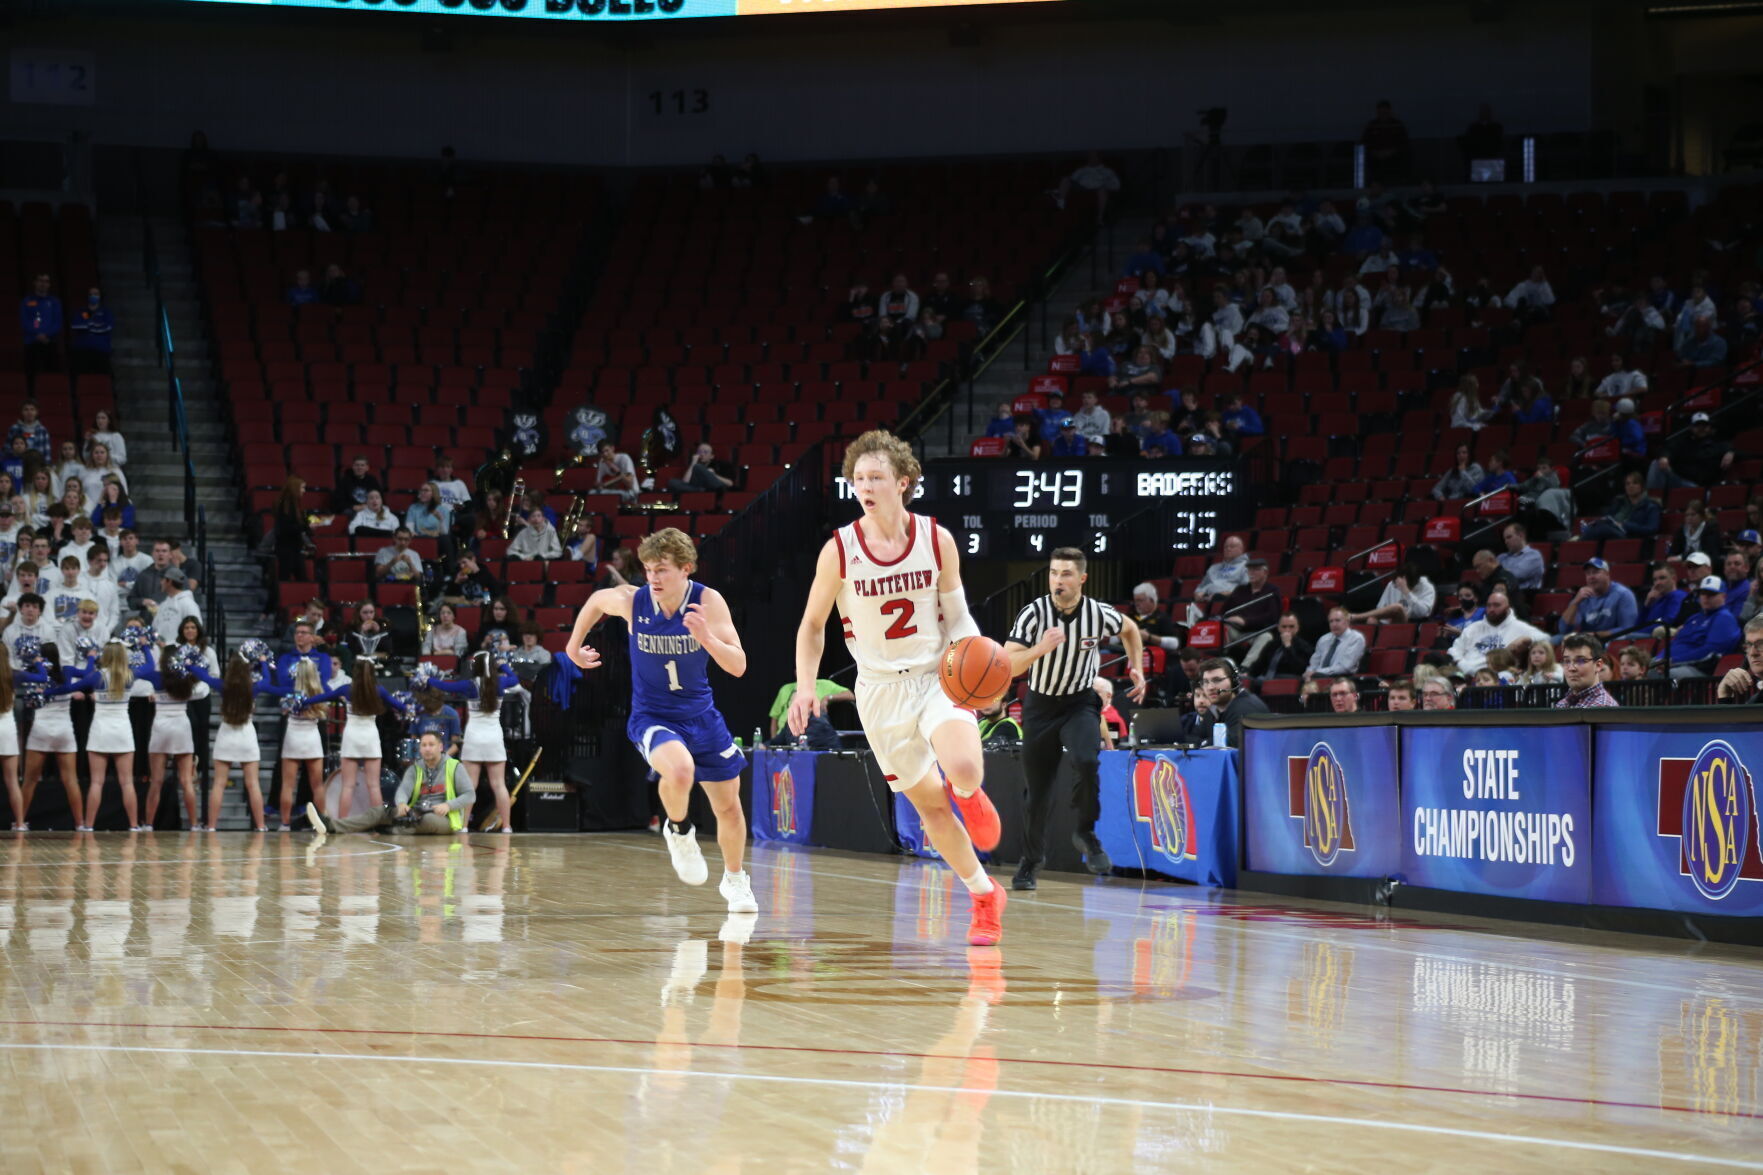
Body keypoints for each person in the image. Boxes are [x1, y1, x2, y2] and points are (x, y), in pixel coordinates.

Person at [786, 430, 1005, 946]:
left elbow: (958, 614)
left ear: (903, 482)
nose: (864, 486)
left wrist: (975, 660)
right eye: (858, 478)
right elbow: (812, 626)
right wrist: (803, 687)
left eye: (875, 477)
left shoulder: (937, 539)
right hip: (880, 691)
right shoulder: (839, 550)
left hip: (935, 676)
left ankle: (968, 792)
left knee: (965, 767)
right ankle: (983, 895)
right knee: (928, 808)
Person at [566, 528, 756, 908]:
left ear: (686, 569)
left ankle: (735, 880)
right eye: (648, 569)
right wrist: (573, 645)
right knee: (680, 770)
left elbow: (738, 667)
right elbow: (597, 602)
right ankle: (680, 831)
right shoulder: (634, 601)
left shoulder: (707, 602)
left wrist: (708, 638)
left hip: (702, 716)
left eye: (662, 570)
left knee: (729, 807)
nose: (652, 577)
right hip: (653, 715)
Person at [1003, 548, 1145, 891]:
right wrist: (1040, 649)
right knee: (1038, 793)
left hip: (1079, 702)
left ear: (1081, 579)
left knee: (1086, 760)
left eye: (1066, 574)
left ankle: (1086, 832)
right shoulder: (1034, 614)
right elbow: (1009, 663)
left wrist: (1135, 665)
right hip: (1040, 706)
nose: (1058, 580)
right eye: (1053, 573)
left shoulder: (1098, 613)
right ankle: (1031, 861)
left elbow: (1130, 629)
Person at [307, 731, 473, 839]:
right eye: (424, 745)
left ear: (441, 747)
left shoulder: (454, 766)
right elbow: (403, 790)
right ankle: (332, 825)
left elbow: (469, 795)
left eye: (431, 745)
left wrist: (448, 805)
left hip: (443, 818)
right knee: (379, 811)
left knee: (428, 820)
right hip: (415, 813)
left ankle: (389, 830)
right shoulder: (416, 768)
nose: (427, 749)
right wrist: (401, 803)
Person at [426, 651, 520, 834]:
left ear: (475, 667)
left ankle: (464, 826)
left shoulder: (469, 685)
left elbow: (444, 685)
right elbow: (515, 678)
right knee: (499, 784)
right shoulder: (500, 682)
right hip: (494, 738)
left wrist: (426, 679)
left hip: (474, 738)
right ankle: (507, 826)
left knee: (470, 785)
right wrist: (503, 666)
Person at [312, 659, 409, 821]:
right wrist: (417, 707)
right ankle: (377, 824)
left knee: (348, 785)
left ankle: (341, 823)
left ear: (354, 673)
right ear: (372, 673)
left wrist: (302, 702)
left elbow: (322, 697)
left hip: (351, 738)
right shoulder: (379, 691)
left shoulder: (346, 689)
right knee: (374, 785)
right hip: (370, 737)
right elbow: (401, 707)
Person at [204, 642, 284, 832]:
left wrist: (189, 662)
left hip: (226, 735)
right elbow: (266, 678)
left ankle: (211, 826)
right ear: (247, 668)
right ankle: (261, 826)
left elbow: (202, 675)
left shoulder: (222, 685)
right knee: (253, 783)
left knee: (219, 784)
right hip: (246, 735)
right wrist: (264, 661)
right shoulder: (254, 687)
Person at [274, 629, 344, 831]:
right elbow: (335, 696)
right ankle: (321, 823)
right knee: (317, 784)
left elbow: (270, 690)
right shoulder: (319, 694)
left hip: (293, 736)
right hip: (312, 737)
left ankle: (284, 824)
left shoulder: (289, 694)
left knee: (288, 784)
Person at [21, 643, 94, 828]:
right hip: (64, 730)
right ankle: (80, 824)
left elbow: (29, 699)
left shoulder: (36, 674)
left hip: (41, 729)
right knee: (70, 779)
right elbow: (89, 674)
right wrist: (91, 657)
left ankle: (20, 823)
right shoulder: (67, 671)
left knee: (29, 780)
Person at [1448, 588, 1547, 673]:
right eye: (1489, 605)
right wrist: (1462, 664)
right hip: (1469, 673)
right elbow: (1454, 650)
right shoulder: (1473, 628)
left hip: (1501, 677)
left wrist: (1527, 639)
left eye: (1496, 605)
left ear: (1508, 608)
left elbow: (1546, 639)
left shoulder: (1519, 627)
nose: (1491, 609)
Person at [1185, 658, 1269, 747]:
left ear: (1234, 682)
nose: (1210, 687)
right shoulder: (1213, 709)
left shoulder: (1246, 708)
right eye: (1205, 682)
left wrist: (1202, 743)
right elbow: (1194, 738)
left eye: (1217, 680)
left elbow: (1229, 746)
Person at [1559, 558, 1638, 643]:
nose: (1591, 577)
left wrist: (1597, 635)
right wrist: (1575, 602)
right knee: (1556, 640)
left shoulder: (1623, 594)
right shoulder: (1582, 597)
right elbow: (1564, 630)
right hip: (1586, 642)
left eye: (1595, 572)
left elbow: (1628, 628)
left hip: (1613, 641)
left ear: (1607, 574)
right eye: (1588, 573)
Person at [1649, 413, 1734, 491]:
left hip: (1704, 487)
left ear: (1709, 427)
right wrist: (1664, 457)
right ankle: (1653, 501)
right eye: (1697, 425)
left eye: (1704, 425)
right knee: (1655, 464)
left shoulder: (1719, 444)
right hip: (1681, 481)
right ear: (1691, 427)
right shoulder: (1683, 443)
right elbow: (1668, 449)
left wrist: (1731, 453)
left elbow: (1743, 454)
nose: (1701, 428)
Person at [1581, 471, 1661, 540]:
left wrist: (1626, 525)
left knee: (1602, 529)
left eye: (1635, 483)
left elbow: (1651, 529)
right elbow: (1609, 517)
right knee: (1596, 526)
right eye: (1627, 484)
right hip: (1612, 532)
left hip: (1630, 537)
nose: (1630, 486)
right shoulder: (1619, 502)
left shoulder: (1651, 506)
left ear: (1642, 486)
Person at [766, 678, 854, 740]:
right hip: (786, 735)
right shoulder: (786, 689)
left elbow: (851, 695)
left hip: (808, 732)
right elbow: (774, 717)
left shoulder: (820, 725)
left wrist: (828, 697)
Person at [1352, 563, 1436, 624]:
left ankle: (1355, 617)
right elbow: (1380, 608)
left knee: (1398, 607)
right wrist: (1385, 618)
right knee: (1371, 620)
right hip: (1389, 623)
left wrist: (1406, 591)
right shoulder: (1393, 584)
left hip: (1412, 623)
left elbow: (1423, 613)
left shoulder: (1427, 587)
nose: (1397, 586)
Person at [1553, 634, 1618, 708]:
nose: (1571, 668)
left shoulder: (1603, 707)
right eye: (1567, 661)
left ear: (1598, 665)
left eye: (1581, 661)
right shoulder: (1561, 704)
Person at [1242, 612, 1313, 679]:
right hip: (1264, 680)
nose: (1287, 630)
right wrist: (1249, 674)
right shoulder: (1273, 644)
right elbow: (1259, 664)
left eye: (1291, 627)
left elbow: (1298, 669)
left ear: (1297, 628)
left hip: (1286, 681)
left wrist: (1288, 646)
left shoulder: (1304, 646)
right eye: (1284, 627)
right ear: (1279, 628)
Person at [19, 275, 63, 380]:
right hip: (32, 342)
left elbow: (57, 322)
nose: (43, 283)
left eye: (46, 281)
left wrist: (46, 334)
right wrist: (37, 334)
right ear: (35, 283)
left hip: (49, 341)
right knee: (31, 373)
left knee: (51, 374)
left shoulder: (54, 302)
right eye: (40, 281)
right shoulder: (26, 301)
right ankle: (32, 396)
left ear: (49, 284)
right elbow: (25, 322)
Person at [1304, 607, 1365, 681]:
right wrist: (1308, 673)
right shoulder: (1324, 639)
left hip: (1343, 678)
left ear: (1347, 621)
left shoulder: (1356, 638)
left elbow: (1345, 667)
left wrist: (1317, 672)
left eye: (1337, 620)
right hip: (1318, 676)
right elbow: (1314, 663)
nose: (1334, 624)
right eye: (1331, 621)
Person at [1716, 616, 1763, 704]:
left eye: (1761, 644)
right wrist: (1725, 696)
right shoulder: (1756, 700)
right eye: (1749, 645)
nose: (1753, 653)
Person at [69, 288, 115, 376]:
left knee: (103, 379)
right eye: (91, 294)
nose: (93, 296)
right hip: (81, 350)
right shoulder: (80, 311)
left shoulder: (106, 312)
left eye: (96, 294)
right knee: (80, 378)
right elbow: (75, 325)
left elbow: (108, 327)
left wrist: (88, 326)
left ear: (100, 296)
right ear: (88, 296)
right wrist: (97, 326)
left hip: (101, 351)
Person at [668, 442, 737, 494]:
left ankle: (701, 490)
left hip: (717, 488)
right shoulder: (695, 465)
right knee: (672, 482)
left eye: (705, 452)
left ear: (712, 456)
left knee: (698, 467)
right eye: (699, 451)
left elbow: (730, 483)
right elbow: (685, 482)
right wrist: (693, 462)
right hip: (699, 488)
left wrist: (713, 475)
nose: (702, 454)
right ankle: (701, 490)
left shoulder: (722, 465)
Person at [1497, 522, 1544, 591]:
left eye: (1509, 537)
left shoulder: (1534, 556)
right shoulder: (1502, 557)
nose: (1506, 542)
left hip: (1525, 596)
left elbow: (1514, 575)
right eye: (1504, 539)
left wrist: (1499, 573)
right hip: (1503, 595)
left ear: (1521, 536)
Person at [596, 439, 639, 504]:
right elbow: (599, 484)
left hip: (631, 492)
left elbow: (629, 483)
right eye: (602, 452)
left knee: (613, 495)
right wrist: (601, 485)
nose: (605, 454)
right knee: (592, 493)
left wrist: (615, 469)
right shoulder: (602, 462)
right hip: (612, 491)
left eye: (606, 451)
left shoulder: (624, 458)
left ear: (612, 448)